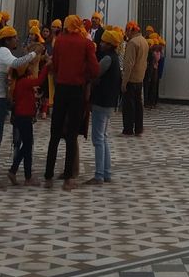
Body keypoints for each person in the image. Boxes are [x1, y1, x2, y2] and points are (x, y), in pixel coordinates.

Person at [0, 26, 41, 187]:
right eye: (14, 37)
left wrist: (0, 81)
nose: (17, 40)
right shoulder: (3, 52)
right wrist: (35, 53)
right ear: (7, 40)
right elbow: (17, 62)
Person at [44, 14, 100, 190]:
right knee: (71, 135)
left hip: (60, 89)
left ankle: (48, 177)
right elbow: (95, 69)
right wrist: (85, 76)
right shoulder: (86, 43)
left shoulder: (59, 41)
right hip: (76, 90)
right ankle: (68, 179)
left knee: (54, 133)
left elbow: (55, 66)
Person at [87, 26, 123, 185]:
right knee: (104, 137)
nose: (100, 44)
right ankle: (106, 173)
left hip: (102, 102)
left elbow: (95, 72)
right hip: (109, 102)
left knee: (98, 139)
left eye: (104, 42)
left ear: (110, 44)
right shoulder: (114, 58)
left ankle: (99, 175)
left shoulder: (108, 58)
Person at [7, 56, 50, 186]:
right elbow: (40, 80)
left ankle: (24, 174)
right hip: (24, 117)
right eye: (29, 66)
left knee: (26, 145)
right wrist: (47, 66)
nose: (31, 67)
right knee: (27, 145)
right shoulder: (24, 82)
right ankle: (18, 172)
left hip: (21, 117)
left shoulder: (19, 82)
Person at [121, 21, 148, 137]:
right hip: (140, 78)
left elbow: (129, 64)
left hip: (131, 79)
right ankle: (138, 128)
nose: (126, 33)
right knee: (138, 105)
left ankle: (128, 129)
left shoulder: (132, 43)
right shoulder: (144, 41)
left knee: (128, 106)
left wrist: (124, 82)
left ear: (131, 30)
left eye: (127, 30)